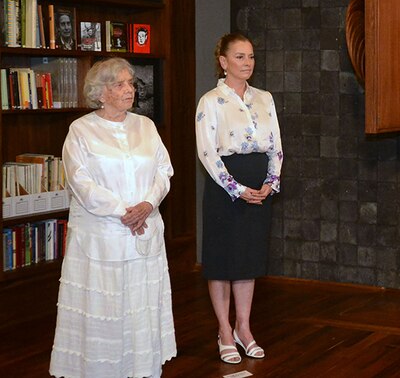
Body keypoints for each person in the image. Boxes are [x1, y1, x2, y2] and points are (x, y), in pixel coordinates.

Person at [49, 58, 176, 377]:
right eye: (120, 84)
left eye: (131, 83)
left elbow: (164, 169)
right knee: (104, 312)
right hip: (102, 239)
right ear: (100, 92)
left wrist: (147, 204)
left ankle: (140, 369)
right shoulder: (80, 130)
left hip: (143, 234)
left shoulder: (145, 126)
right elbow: (81, 183)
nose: (129, 89)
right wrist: (126, 211)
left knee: (138, 309)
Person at [195, 33, 283, 364]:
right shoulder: (210, 101)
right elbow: (206, 152)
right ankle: (223, 331)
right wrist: (236, 188)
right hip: (225, 189)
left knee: (247, 259)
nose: (247, 63)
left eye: (251, 57)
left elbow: (276, 144)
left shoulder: (265, 98)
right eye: (240, 57)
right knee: (222, 262)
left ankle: (244, 328)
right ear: (223, 61)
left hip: (259, 184)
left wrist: (270, 182)